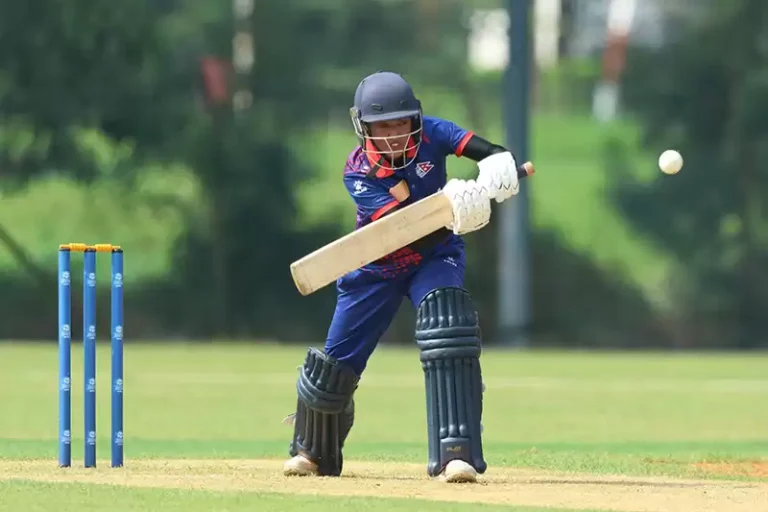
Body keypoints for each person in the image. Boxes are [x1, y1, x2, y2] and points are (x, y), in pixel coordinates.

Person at [283, 71, 523, 483]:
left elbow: (487, 152)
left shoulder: (434, 133)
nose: (394, 135)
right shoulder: (358, 171)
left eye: (400, 123)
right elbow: (405, 227)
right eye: (383, 127)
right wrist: (455, 208)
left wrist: (497, 167)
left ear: (415, 119)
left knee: (449, 326)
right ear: (364, 128)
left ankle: (456, 455)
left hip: (435, 257)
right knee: (336, 362)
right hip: (377, 263)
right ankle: (314, 451)